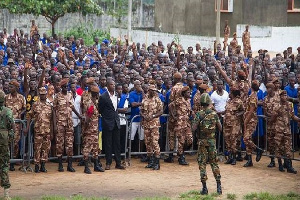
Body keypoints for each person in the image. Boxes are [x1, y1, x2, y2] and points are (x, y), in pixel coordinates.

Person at [192, 93, 222, 195]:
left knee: (202, 164)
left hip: (202, 142)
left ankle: (204, 188)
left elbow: (194, 128)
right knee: (214, 163)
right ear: (209, 102)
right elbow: (220, 128)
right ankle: (219, 186)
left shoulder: (199, 114)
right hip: (212, 142)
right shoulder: (214, 114)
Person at [53, 78, 82, 172]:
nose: (66, 88)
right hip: (60, 123)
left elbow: (72, 107)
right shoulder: (57, 96)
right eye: (64, 87)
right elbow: (54, 110)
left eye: (67, 86)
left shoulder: (70, 95)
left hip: (69, 123)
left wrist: (79, 116)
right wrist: (54, 124)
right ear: (61, 87)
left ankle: (70, 165)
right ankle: (60, 165)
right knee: (60, 144)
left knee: (69, 144)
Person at [25, 87, 54, 173]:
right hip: (38, 130)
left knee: (46, 148)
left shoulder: (49, 106)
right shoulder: (35, 105)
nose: (42, 96)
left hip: (47, 130)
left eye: (44, 94)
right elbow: (29, 115)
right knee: (37, 148)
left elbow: (52, 119)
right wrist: (27, 127)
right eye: (41, 94)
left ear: (46, 95)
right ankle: (37, 165)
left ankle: (43, 165)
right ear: (39, 95)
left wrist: (52, 131)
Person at [98, 80, 125, 170]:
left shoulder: (116, 95)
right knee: (108, 144)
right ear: (107, 86)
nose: (113, 86)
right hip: (107, 122)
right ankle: (108, 162)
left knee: (117, 144)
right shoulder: (103, 96)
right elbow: (100, 109)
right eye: (111, 84)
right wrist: (106, 118)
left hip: (116, 122)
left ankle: (118, 163)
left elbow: (115, 109)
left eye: (114, 84)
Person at [274, 90, 298, 173]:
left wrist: (298, 119)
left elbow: (292, 116)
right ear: (280, 97)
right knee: (279, 147)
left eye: (285, 95)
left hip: (287, 130)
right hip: (279, 130)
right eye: (283, 95)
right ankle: (280, 164)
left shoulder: (289, 105)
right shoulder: (277, 106)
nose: (284, 97)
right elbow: (273, 117)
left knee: (288, 148)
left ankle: (289, 166)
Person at [81, 85, 104, 174]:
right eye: (97, 93)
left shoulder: (96, 102)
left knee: (95, 148)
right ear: (95, 93)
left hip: (95, 129)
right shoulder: (90, 104)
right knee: (87, 148)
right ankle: (86, 167)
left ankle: (96, 166)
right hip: (90, 130)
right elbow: (87, 118)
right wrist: (85, 129)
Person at [140, 84, 163, 170]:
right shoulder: (144, 100)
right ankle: (151, 161)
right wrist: (143, 116)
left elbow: (161, 111)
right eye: (152, 90)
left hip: (154, 124)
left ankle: (157, 162)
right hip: (146, 124)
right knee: (148, 142)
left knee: (155, 142)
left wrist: (153, 116)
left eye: (154, 90)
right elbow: (141, 110)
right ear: (149, 91)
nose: (153, 92)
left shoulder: (157, 100)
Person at [4, 80, 26, 171]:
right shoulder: (6, 97)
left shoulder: (21, 97)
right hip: (7, 124)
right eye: (9, 87)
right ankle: (8, 161)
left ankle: (13, 162)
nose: (10, 88)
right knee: (8, 142)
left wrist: (21, 114)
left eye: (11, 87)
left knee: (15, 143)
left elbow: (25, 108)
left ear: (16, 88)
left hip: (17, 124)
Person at [243, 80, 264, 167]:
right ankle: (249, 159)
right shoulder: (252, 95)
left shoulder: (253, 96)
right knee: (249, 139)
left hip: (251, 119)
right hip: (249, 118)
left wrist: (246, 120)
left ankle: (258, 150)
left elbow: (251, 111)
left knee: (246, 138)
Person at [164, 72, 183, 163]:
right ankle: (181, 156)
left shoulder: (173, 89)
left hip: (174, 115)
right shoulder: (184, 88)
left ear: (174, 79)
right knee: (180, 136)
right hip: (182, 115)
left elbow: (170, 103)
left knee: (172, 135)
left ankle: (171, 156)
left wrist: (172, 114)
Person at [0, 90, 15, 200]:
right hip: (4, 139)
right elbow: (12, 126)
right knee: (4, 165)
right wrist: (10, 137)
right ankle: (6, 194)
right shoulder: (8, 111)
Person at [223, 86, 244, 165]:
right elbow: (226, 111)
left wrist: (238, 114)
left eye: (230, 92)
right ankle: (230, 157)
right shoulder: (229, 101)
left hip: (235, 125)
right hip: (227, 124)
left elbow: (243, 110)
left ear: (233, 94)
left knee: (234, 140)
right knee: (227, 140)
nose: (229, 94)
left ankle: (234, 158)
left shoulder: (239, 101)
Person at [263, 83, 280, 168]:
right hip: (269, 124)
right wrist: (270, 115)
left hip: (278, 124)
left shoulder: (278, 98)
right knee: (271, 143)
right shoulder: (265, 99)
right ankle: (272, 160)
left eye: (269, 88)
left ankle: (283, 161)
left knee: (279, 143)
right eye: (267, 88)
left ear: (272, 89)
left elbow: (278, 111)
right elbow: (265, 111)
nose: (267, 90)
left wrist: (273, 115)